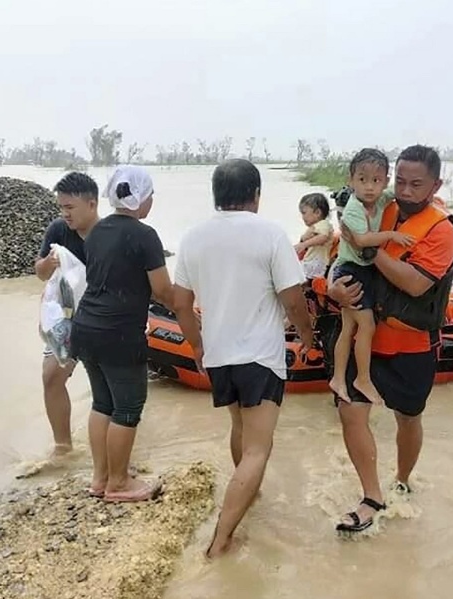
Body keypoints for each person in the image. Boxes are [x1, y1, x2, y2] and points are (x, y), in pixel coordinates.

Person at [171, 158, 315, 558]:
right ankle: (220, 542)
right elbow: (292, 297)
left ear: (216, 195)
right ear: (256, 195)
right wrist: (306, 335)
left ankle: (246, 495)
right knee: (258, 449)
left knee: (239, 428)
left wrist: (197, 347)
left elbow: (181, 303)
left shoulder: (194, 237)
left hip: (218, 356)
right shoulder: (270, 234)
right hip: (259, 357)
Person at [327, 144, 453, 534]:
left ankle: (402, 478)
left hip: (412, 344)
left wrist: (368, 249)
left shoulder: (441, 228)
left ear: (436, 184)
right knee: (350, 409)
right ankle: (372, 496)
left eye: (416, 184)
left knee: (409, 417)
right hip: (367, 335)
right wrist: (334, 289)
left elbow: (416, 284)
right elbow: (341, 253)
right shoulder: (378, 205)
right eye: (399, 181)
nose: (405, 190)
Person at [70, 166, 174, 502]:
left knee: (102, 403)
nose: (153, 201)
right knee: (127, 408)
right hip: (119, 333)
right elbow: (161, 290)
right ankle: (118, 484)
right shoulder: (145, 235)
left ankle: (100, 479)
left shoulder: (97, 231)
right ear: (141, 198)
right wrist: (186, 307)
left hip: (86, 327)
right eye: (151, 195)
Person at [328, 148, 414, 406]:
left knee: (348, 328)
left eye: (376, 181)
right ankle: (362, 378)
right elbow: (362, 239)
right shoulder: (354, 208)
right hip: (353, 271)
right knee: (367, 326)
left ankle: (338, 378)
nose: (369, 187)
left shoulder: (380, 198)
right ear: (351, 180)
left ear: (385, 181)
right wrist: (391, 236)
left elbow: (394, 195)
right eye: (362, 180)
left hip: (356, 268)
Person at [34, 171, 101, 460]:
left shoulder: (109, 233)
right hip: (67, 318)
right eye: (61, 207)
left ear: (92, 204)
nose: (65, 214)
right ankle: (63, 446)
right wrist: (48, 263)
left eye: (70, 208)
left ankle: (112, 445)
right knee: (51, 377)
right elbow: (39, 273)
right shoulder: (58, 231)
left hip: (102, 318)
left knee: (106, 385)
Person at [294, 193, 334, 280]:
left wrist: (304, 244)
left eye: (304, 213)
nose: (302, 217)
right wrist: (303, 239)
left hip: (317, 262)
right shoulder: (316, 227)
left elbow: (323, 237)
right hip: (312, 261)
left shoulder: (323, 224)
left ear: (317, 212)